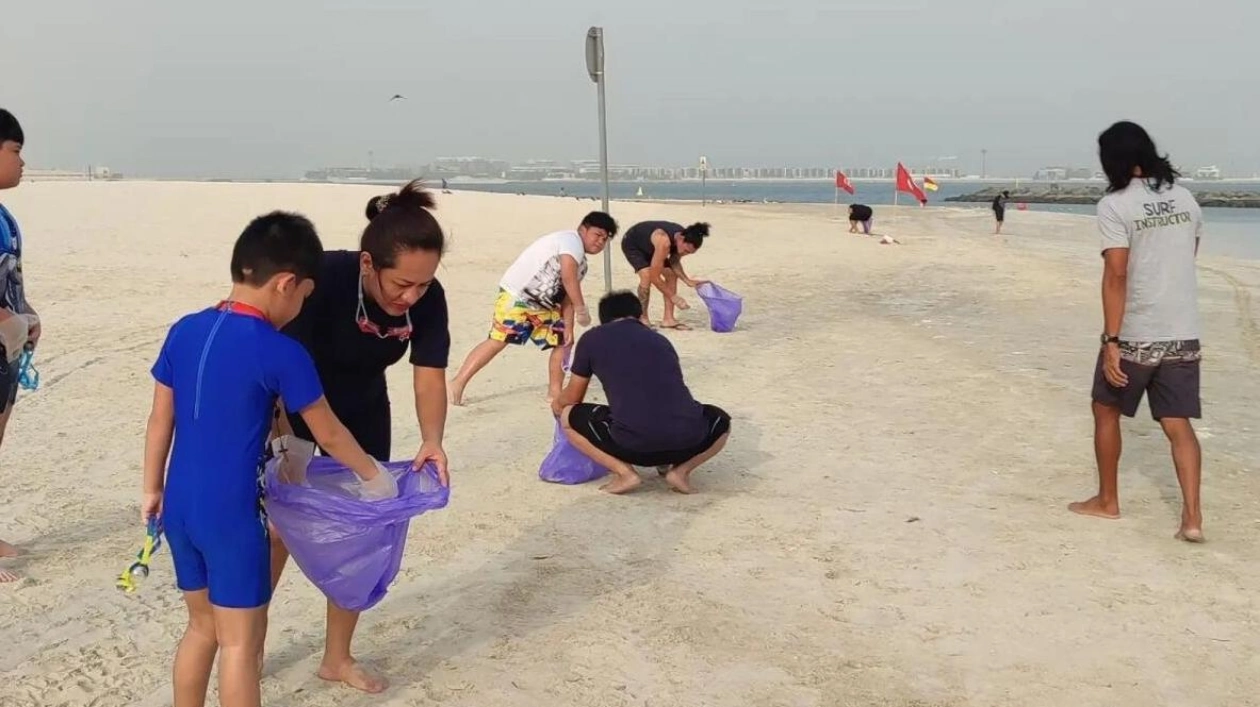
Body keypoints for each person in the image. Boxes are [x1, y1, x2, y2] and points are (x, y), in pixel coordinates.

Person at [142, 211, 396, 707]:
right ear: (286, 283)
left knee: (201, 630)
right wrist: (374, 475)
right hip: (232, 515)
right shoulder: (280, 351)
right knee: (240, 643)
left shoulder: (184, 330)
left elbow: (159, 422)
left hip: (178, 505)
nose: (301, 307)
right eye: (304, 296)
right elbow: (329, 430)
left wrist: (150, 490)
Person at [270, 179, 452, 693]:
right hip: (293, 409)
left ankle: (337, 657)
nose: (412, 296)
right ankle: (249, 647)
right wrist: (288, 440)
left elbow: (429, 372)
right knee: (278, 532)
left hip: (364, 410)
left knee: (362, 530)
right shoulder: (322, 279)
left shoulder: (427, 297)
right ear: (368, 264)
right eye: (402, 285)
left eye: (423, 284)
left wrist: (432, 438)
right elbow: (281, 365)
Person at [1069, 120, 1205, 543]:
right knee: (1177, 422)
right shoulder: (1186, 199)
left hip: (1136, 333)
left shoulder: (1115, 205)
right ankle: (1193, 518)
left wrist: (1112, 341)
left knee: (1105, 410)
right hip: (1183, 330)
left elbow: (1117, 272)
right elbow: (1188, 255)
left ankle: (1108, 501)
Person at [552, 291, 731, 495]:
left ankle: (625, 473)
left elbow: (573, 397)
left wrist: (557, 404)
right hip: (687, 442)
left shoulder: (592, 339)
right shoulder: (660, 340)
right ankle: (680, 471)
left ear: (604, 319)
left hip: (633, 446)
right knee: (720, 419)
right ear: (638, 315)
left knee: (569, 416)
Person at [448, 211, 617, 406]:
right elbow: (568, 277)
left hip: (543, 306)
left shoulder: (582, 264)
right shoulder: (571, 241)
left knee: (564, 341)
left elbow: (567, 296)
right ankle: (457, 383)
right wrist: (582, 310)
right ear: (582, 230)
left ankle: (555, 392)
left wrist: (569, 326)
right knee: (498, 340)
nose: (600, 242)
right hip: (518, 296)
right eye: (597, 235)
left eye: (605, 239)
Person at [0, 108, 39, 583]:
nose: (23, 162)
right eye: (15, 151)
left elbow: (11, 279)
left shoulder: (5, 217)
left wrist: (28, 316)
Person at [620, 220, 711, 329]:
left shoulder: (681, 237)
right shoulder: (664, 241)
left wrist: (687, 281)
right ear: (681, 239)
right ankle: (642, 319)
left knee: (671, 274)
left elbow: (674, 261)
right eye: (686, 251)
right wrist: (673, 297)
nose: (684, 254)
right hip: (634, 244)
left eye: (689, 253)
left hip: (653, 248)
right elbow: (655, 277)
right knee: (647, 275)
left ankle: (668, 319)